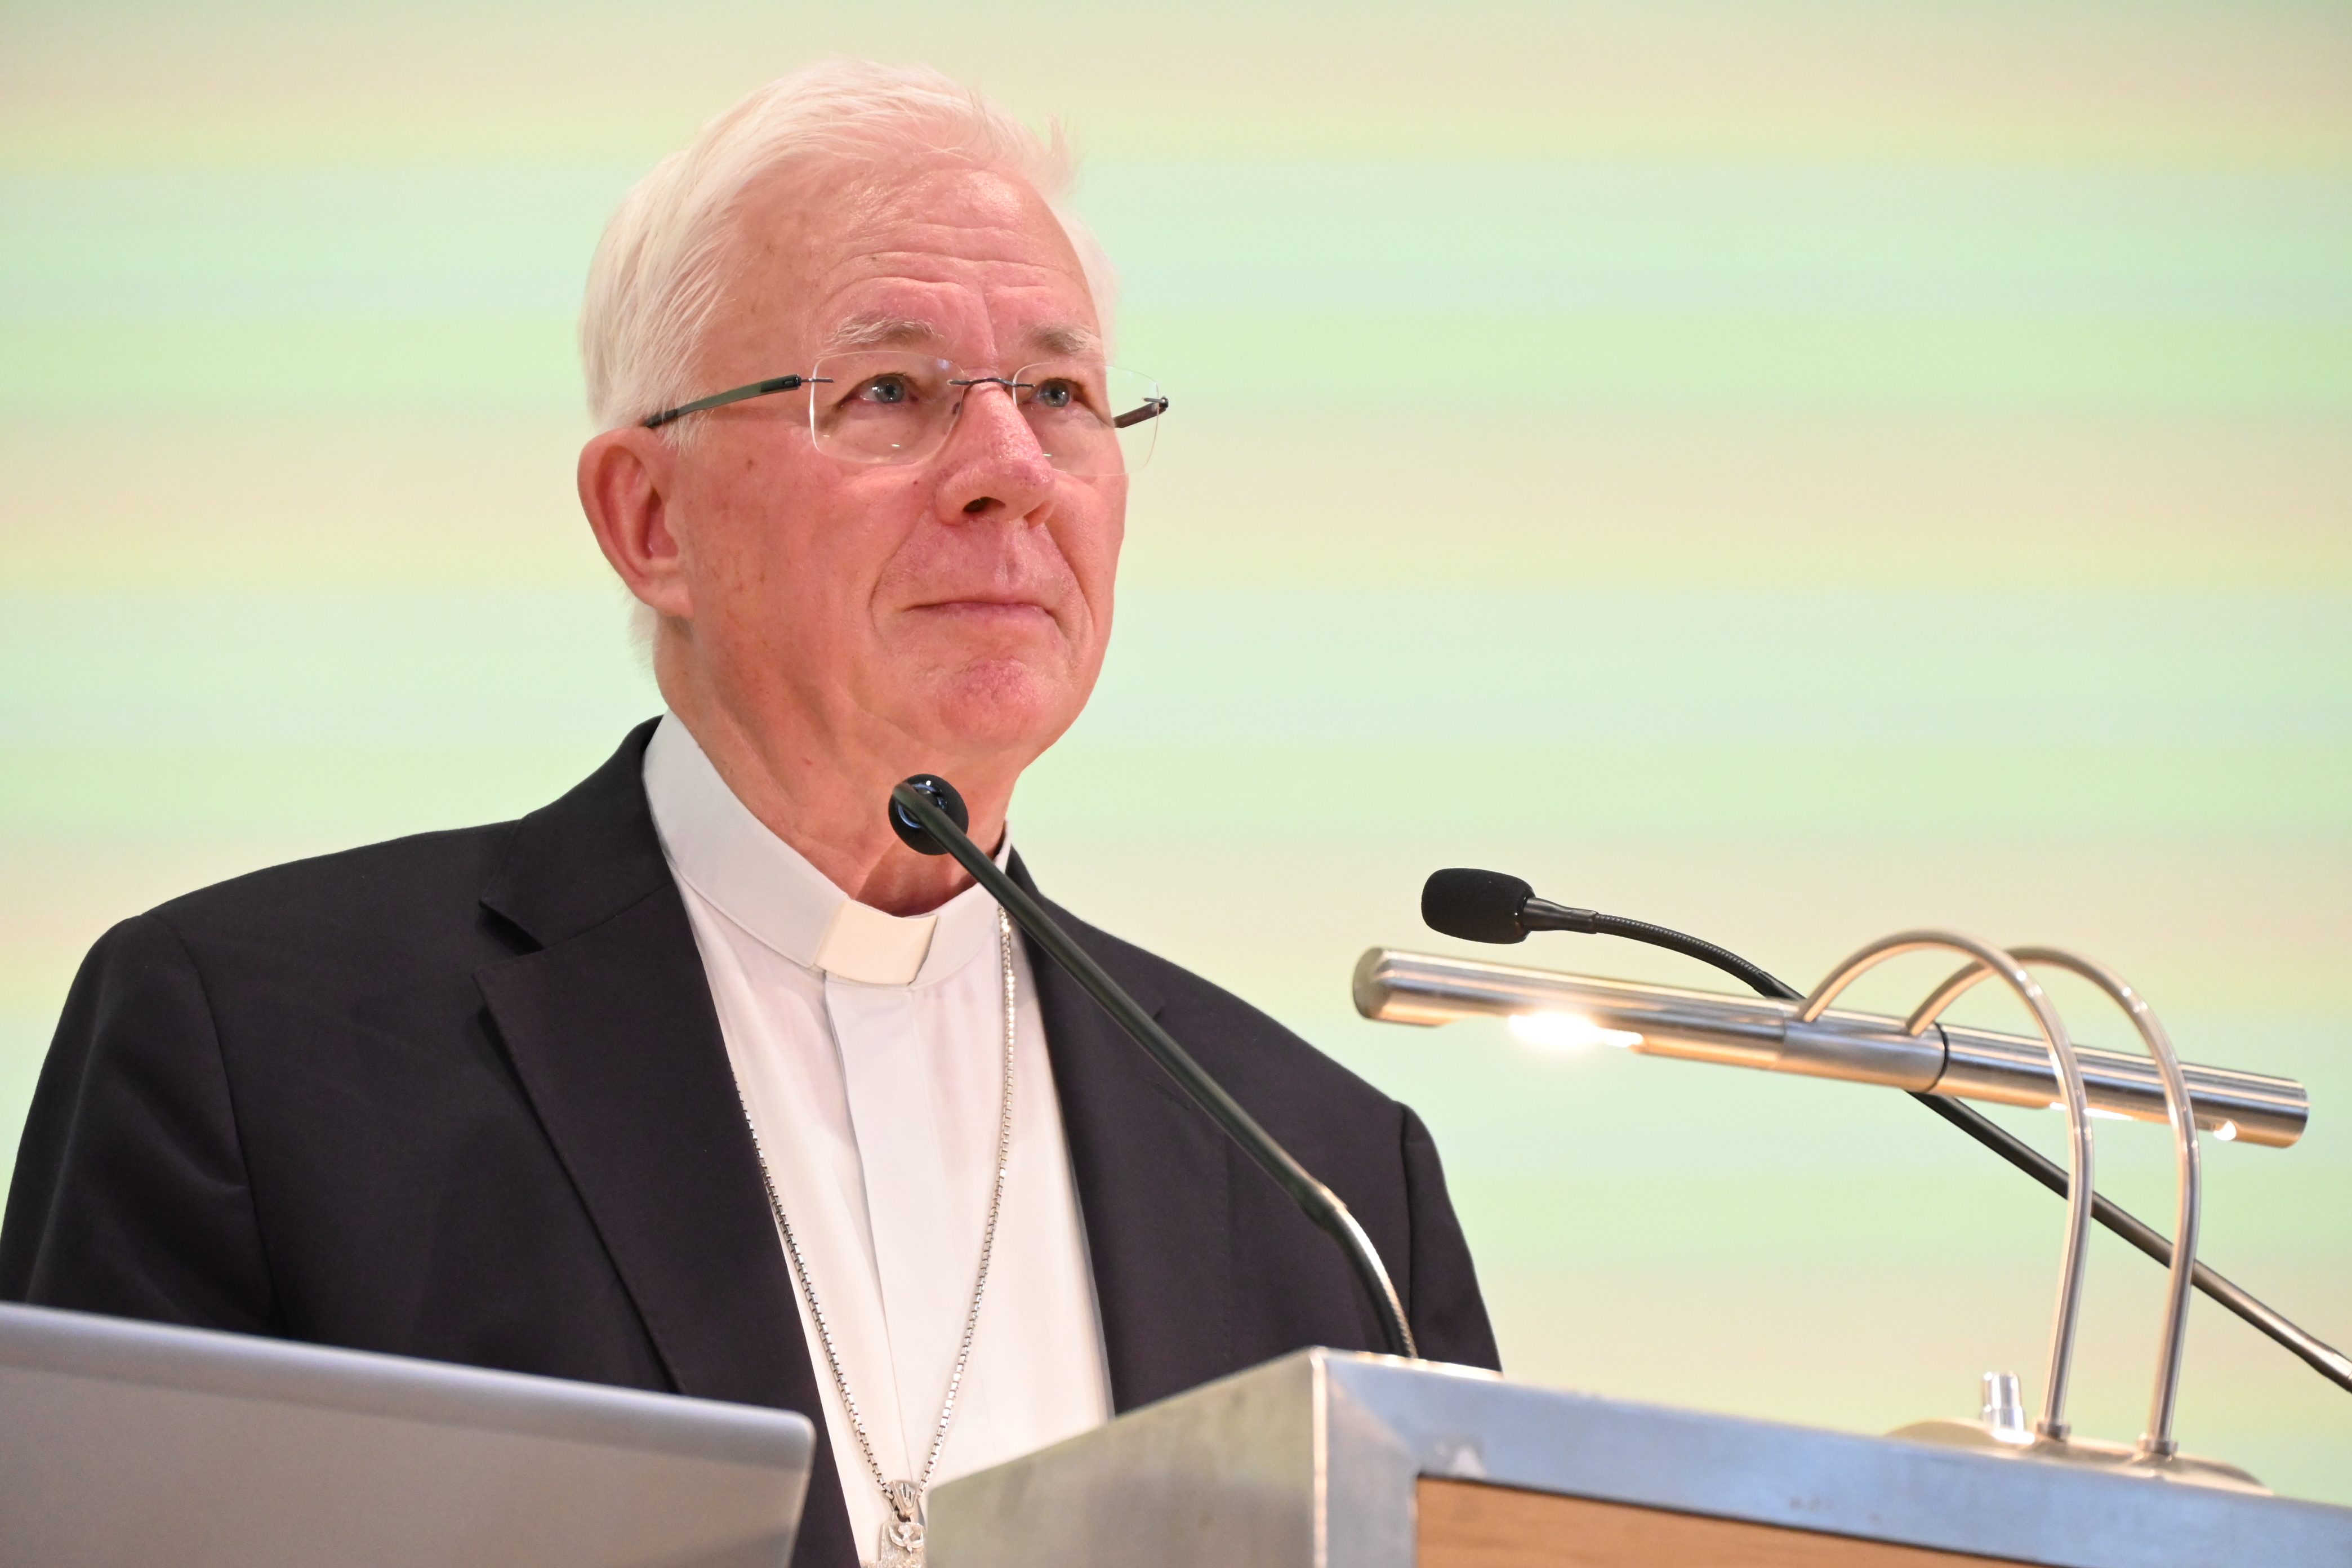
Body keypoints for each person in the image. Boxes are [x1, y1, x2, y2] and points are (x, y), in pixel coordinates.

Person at [0, 58, 1496, 1568]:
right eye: (889, 392)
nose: (1011, 473)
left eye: (1058, 395)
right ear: (650, 520)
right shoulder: (261, 1059)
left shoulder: (1330, 1192)